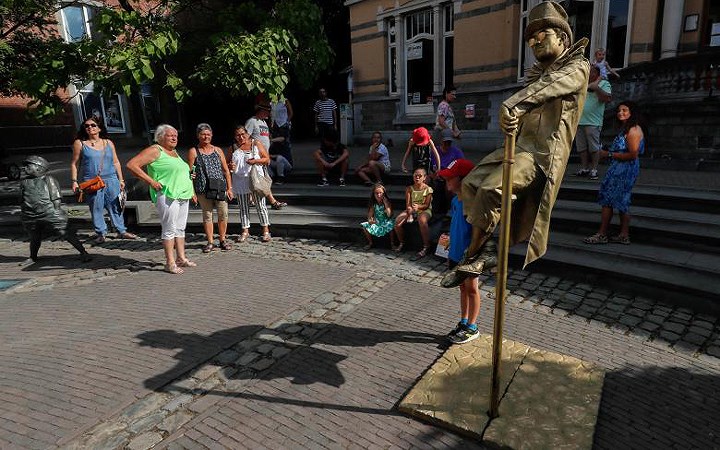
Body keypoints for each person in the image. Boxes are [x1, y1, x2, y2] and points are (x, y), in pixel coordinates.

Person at [450, 1, 590, 276]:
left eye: (542, 35)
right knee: (470, 184)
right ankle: (487, 249)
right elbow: (530, 103)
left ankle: (474, 255)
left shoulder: (578, 67)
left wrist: (511, 105)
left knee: (491, 189)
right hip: (516, 148)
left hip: (539, 156)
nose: (535, 42)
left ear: (562, 38)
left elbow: (548, 87)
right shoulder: (536, 77)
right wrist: (510, 122)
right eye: (531, 39)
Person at [126, 124, 197, 274]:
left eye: (176, 136)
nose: (174, 138)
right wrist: (150, 181)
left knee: (180, 228)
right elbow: (132, 165)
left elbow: (175, 171)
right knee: (169, 229)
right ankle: (170, 263)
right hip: (168, 195)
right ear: (160, 137)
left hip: (183, 194)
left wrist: (188, 175)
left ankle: (181, 258)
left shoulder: (174, 152)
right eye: (170, 135)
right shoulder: (155, 150)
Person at [584, 101, 645, 245]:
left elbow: (632, 155)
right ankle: (623, 235)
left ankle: (602, 234)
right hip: (619, 167)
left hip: (625, 169)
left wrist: (609, 154)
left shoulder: (633, 131)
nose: (620, 113)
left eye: (625, 110)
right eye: (619, 110)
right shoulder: (627, 129)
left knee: (609, 200)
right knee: (620, 200)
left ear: (632, 112)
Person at [437, 159, 482, 344]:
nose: (447, 181)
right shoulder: (456, 201)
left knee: (472, 289)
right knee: (462, 288)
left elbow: (477, 232)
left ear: (464, 180)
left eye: (450, 178)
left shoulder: (473, 203)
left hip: (469, 255)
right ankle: (464, 321)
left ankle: (472, 326)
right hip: (455, 253)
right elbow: (457, 226)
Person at [70, 117, 137, 243]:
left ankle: (121, 230)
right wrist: (74, 181)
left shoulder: (108, 143)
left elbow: (116, 162)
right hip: (92, 180)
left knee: (115, 205)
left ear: (99, 128)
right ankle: (101, 232)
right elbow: (74, 163)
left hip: (111, 179)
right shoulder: (80, 143)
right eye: (87, 126)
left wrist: (121, 179)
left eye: (93, 125)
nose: (90, 127)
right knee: (96, 207)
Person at [20, 155, 91, 264]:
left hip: (50, 211)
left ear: (39, 168)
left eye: (28, 166)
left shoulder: (48, 179)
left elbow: (56, 197)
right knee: (34, 236)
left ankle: (83, 252)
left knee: (64, 231)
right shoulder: (24, 182)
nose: (25, 168)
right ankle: (32, 257)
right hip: (30, 214)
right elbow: (22, 198)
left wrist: (56, 210)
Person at [187, 123, 234, 253]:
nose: (206, 136)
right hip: (202, 189)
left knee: (223, 214)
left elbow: (225, 171)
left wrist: (230, 188)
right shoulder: (193, 152)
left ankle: (223, 239)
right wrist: (192, 192)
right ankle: (210, 242)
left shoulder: (218, 150)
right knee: (207, 215)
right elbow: (190, 173)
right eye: (203, 134)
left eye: (208, 134)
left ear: (212, 135)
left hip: (219, 188)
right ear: (198, 136)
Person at [228, 125, 272, 243]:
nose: (241, 137)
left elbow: (267, 159)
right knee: (243, 207)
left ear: (247, 134)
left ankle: (266, 231)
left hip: (255, 179)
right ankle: (245, 231)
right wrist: (229, 166)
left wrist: (255, 161)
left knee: (261, 206)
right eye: (238, 135)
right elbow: (226, 165)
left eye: (243, 134)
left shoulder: (255, 143)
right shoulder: (233, 147)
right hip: (240, 181)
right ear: (235, 137)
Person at [245, 101, 288, 209]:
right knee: (263, 179)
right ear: (261, 111)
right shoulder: (252, 121)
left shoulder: (264, 123)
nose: (269, 114)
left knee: (256, 179)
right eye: (267, 111)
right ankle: (273, 202)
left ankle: (251, 200)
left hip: (263, 157)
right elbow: (245, 138)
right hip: (256, 157)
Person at [574, 65, 612, 180]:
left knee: (594, 148)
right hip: (579, 120)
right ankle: (584, 168)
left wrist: (596, 87)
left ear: (596, 73)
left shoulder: (604, 84)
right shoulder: (582, 83)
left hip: (593, 121)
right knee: (581, 147)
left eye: (590, 72)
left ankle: (594, 170)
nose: (588, 73)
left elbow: (607, 98)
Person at [393, 167, 434, 259]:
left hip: (424, 210)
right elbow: (408, 204)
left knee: (422, 221)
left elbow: (427, 205)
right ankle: (402, 242)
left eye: (420, 176)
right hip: (411, 209)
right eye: (415, 176)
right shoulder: (409, 189)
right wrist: (410, 210)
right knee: (397, 222)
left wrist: (418, 207)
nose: (417, 178)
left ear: (424, 177)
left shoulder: (428, 189)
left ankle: (426, 246)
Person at [432, 135, 465, 216]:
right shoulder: (434, 151)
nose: (447, 145)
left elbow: (461, 163)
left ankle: (450, 209)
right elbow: (432, 165)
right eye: (445, 143)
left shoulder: (456, 151)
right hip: (438, 173)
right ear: (441, 142)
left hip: (451, 174)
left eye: (449, 143)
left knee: (450, 188)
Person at [360, 183, 396, 250]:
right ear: (374, 195)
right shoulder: (374, 205)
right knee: (365, 226)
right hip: (377, 222)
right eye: (376, 193)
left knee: (391, 225)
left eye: (381, 193)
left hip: (386, 222)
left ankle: (392, 244)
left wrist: (386, 204)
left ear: (384, 194)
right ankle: (370, 243)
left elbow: (389, 214)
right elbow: (369, 216)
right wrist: (371, 221)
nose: (379, 195)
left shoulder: (387, 203)